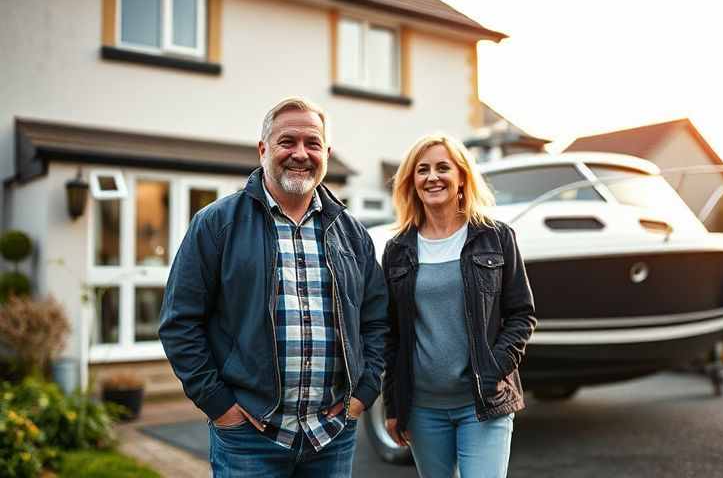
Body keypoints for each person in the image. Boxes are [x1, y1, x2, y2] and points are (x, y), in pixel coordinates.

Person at [159, 97, 389, 477]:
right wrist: (219, 405)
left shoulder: (352, 234)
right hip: (248, 437)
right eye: (288, 141)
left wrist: (362, 396)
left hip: (331, 436)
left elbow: (376, 321)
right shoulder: (217, 224)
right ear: (263, 149)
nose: (301, 153)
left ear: (327, 153)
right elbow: (179, 323)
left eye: (312, 143)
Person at [381, 133, 536, 478]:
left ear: (462, 177)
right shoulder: (397, 249)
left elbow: (521, 314)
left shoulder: (495, 237)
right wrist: (394, 406)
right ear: (412, 182)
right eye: (422, 170)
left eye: (442, 168)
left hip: (483, 402)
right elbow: (391, 335)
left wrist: (494, 369)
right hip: (423, 409)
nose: (432, 177)